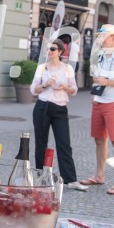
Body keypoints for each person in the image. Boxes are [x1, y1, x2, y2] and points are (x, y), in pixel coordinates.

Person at [80, 24, 114, 196]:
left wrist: (107, 82)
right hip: (99, 102)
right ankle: (99, 175)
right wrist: (95, 92)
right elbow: (98, 79)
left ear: (113, 38)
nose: (101, 39)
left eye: (104, 36)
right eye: (100, 36)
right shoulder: (101, 57)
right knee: (99, 140)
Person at [31, 39, 87, 191]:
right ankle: (41, 178)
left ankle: (71, 179)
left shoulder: (67, 68)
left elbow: (74, 90)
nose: (50, 51)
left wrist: (65, 87)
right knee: (41, 144)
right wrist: (44, 85)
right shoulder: (42, 68)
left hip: (60, 107)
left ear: (61, 52)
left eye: (53, 49)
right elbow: (33, 89)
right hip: (42, 106)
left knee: (64, 143)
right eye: (48, 49)